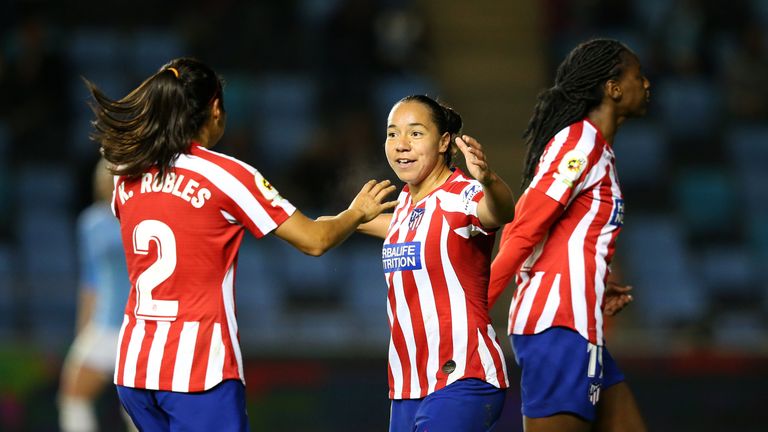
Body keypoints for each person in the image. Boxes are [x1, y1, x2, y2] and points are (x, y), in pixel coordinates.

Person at [85, 57, 398, 432]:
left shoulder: (127, 177)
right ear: (215, 109)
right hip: (198, 368)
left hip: (136, 367)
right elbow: (314, 240)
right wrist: (357, 213)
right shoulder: (228, 175)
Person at [487, 38, 649, 432]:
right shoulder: (580, 143)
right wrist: (475, 307)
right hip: (558, 326)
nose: (647, 85)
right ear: (612, 88)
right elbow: (523, 227)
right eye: (638, 76)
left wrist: (596, 280)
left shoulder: (596, 150)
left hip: (578, 321)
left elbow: (561, 231)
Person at [357, 95, 516, 431]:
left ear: (444, 141)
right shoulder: (403, 205)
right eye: (392, 134)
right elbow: (338, 226)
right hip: (408, 385)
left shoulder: (463, 195)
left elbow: (500, 212)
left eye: (415, 134)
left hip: (463, 375)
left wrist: (488, 180)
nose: (401, 145)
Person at [58, 158, 137, 432]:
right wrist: (83, 329)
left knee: (136, 408)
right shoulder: (90, 223)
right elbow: (91, 280)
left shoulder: (144, 216)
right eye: (104, 176)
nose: (108, 181)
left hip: (140, 329)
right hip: (104, 326)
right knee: (72, 395)